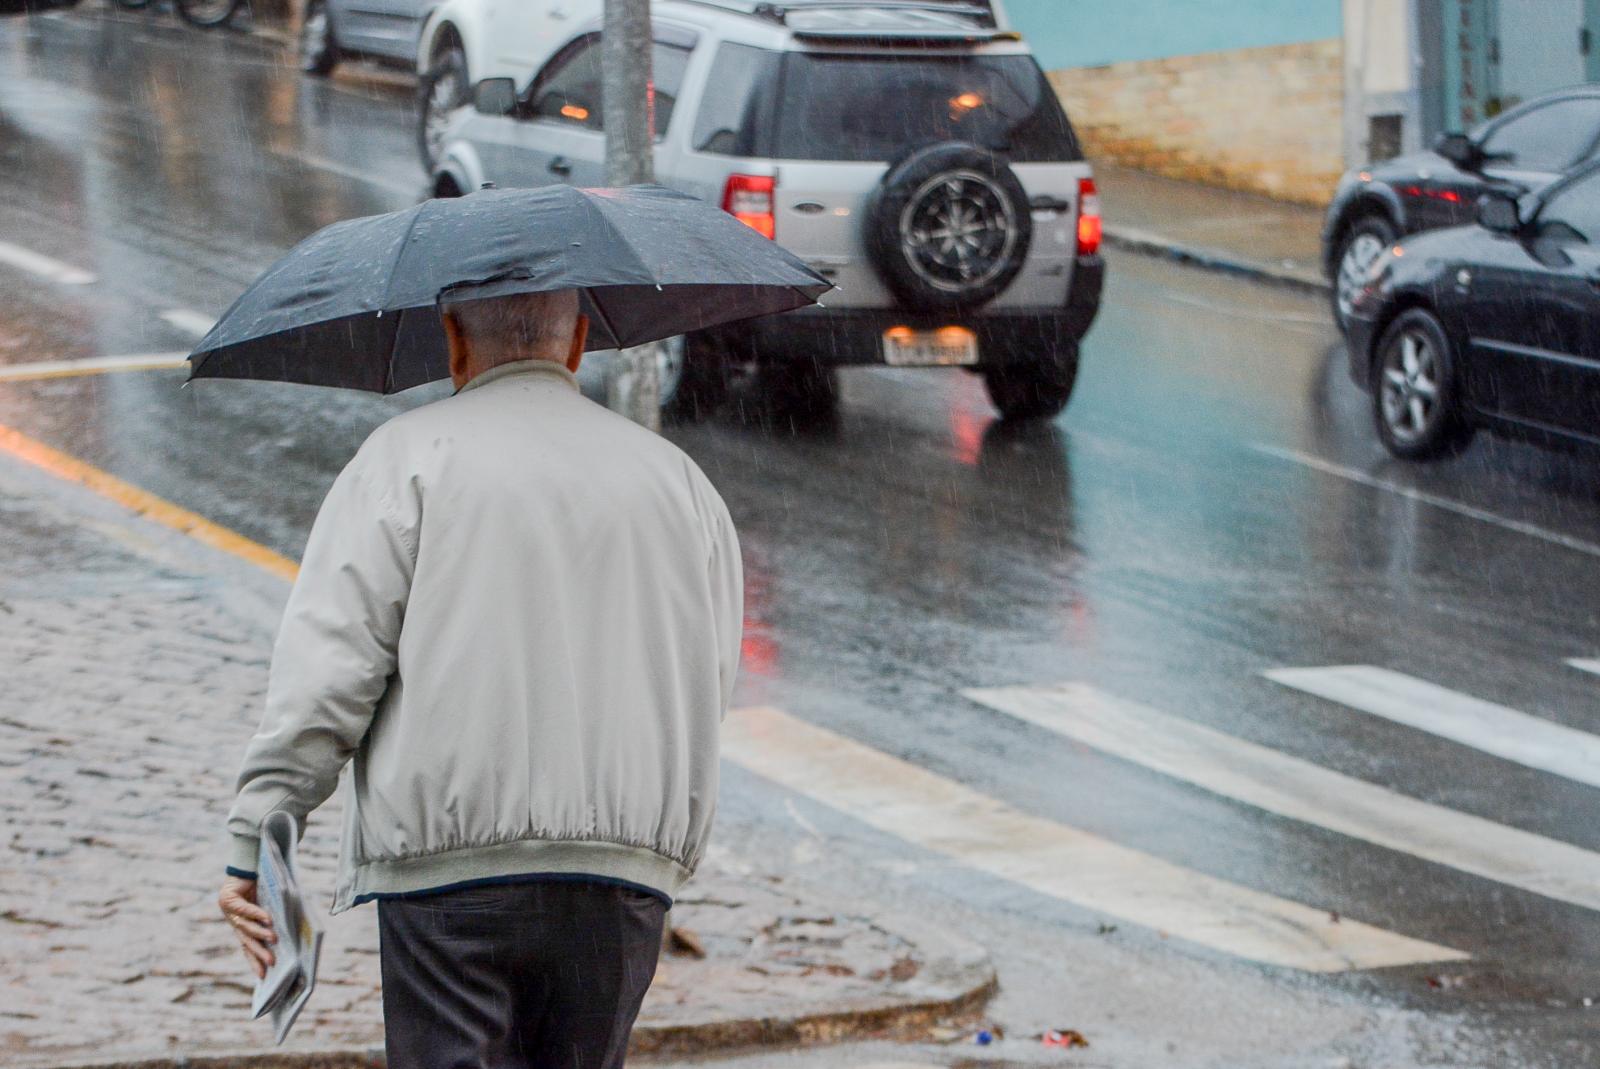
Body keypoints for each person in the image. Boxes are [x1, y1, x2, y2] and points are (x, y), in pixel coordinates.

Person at [216, 288, 743, 1069]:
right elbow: (709, 675)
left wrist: (258, 834)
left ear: (452, 339)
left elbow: (329, 671)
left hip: (447, 874)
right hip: (620, 875)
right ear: (578, 342)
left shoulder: (406, 461)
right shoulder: (680, 482)